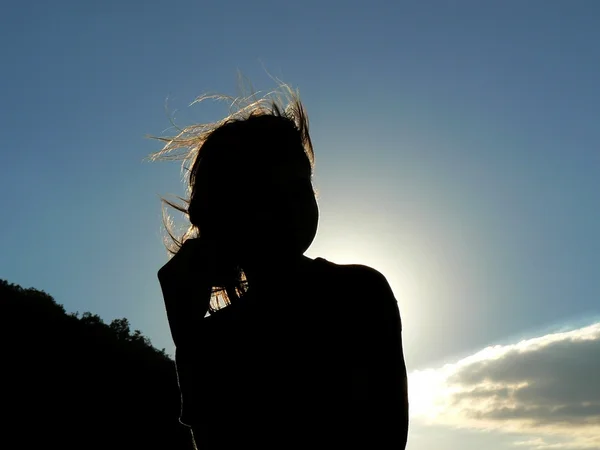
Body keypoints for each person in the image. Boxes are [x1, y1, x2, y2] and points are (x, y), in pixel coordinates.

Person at [152, 83, 409, 449]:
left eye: (300, 185)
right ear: (226, 215)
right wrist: (188, 337)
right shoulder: (213, 339)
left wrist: (191, 337)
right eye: (266, 194)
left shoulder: (357, 292)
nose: (291, 206)